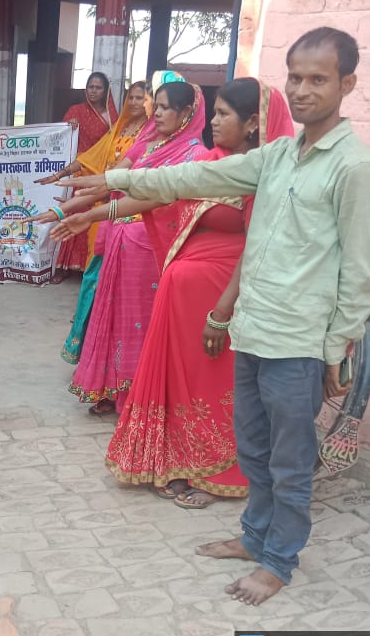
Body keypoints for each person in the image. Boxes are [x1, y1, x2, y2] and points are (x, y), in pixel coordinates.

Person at [66, 28, 370, 604]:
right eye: (296, 77)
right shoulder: (278, 155)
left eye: (318, 79)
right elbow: (194, 177)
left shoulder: (353, 167)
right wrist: (114, 178)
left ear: (346, 84)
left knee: (289, 455)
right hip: (252, 329)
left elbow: (358, 271)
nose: (303, 90)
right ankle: (255, 536)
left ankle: (279, 560)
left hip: (299, 340)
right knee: (252, 445)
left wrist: (338, 350)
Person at [98, 79, 294, 503]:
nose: (215, 122)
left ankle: (220, 473)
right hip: (180, 298)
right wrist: (88, 211)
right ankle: (175, 461)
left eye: (225, 115)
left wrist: (222, 311)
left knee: (213, 386)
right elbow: (158, 195)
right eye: (216, 111)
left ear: (253, 124)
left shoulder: (266, 178)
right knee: (180, 383)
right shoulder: (210, 161)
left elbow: (259, 247)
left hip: (222, 301)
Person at [39, 80, 207, 416]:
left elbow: (155, 201)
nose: (155, 113)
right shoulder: (145, 144)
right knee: (113, 318)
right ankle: (109, 389)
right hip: (118, 244)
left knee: (142, 323)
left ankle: (139, 395)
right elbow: (109, 182)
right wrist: (62, 210)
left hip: (151, 253)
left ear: (187, 113)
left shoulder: (194, 157)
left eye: (163, 108)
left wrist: (85, 212)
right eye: (153, 106)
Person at [35, 81, 150, 363]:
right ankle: (92, 353)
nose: (135, 103)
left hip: (136, 220)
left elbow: (127, 182)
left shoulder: (152, 138)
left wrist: (81, 198)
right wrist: (61, 178)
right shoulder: (119, 130)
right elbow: (91, 160)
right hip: (104, 209)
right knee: (94, 281)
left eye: (142, 98)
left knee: (120, 295)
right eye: (131, 98)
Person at [52, 72, 120, 278]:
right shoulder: (76, 111)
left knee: (94, 217)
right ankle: (64, 266)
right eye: (90, 86)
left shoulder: (113, 117)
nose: (93, 91)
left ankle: (88, 265)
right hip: (80, 170)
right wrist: (68, 127)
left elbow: (116, 144)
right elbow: (59, 138)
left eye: (98, 87)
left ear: (105, 91)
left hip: (100, 173)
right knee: (73, 213)